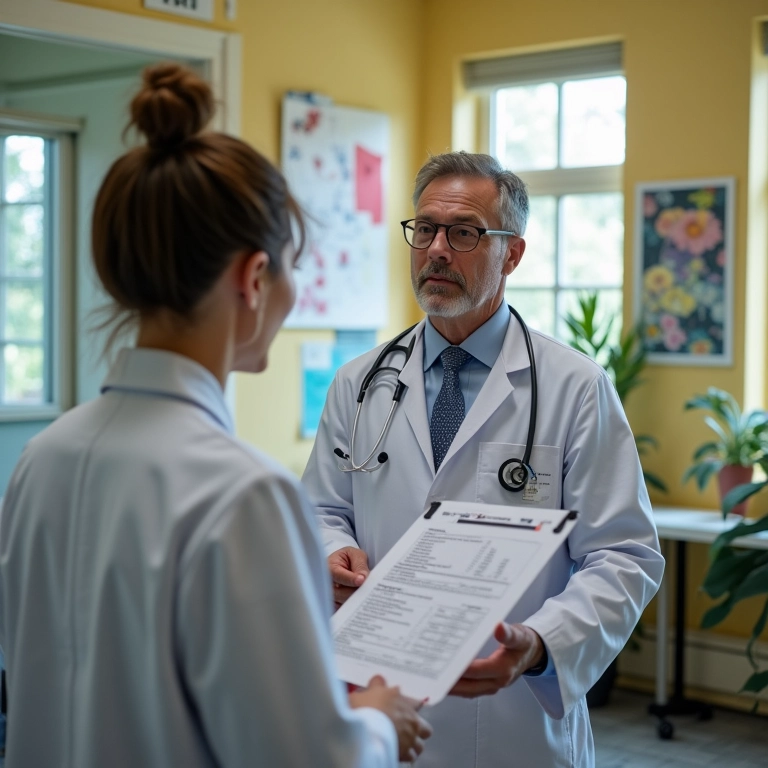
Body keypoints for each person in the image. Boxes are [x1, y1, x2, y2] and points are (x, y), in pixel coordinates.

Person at [0, 64, 431, 768]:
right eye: (289, 268)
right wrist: (377, 722)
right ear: (253, 279)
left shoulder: (43, 458)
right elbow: (308, 760)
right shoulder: (243, 493)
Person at [302, 151, 665, 768]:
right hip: (380, 705)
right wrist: (330, 547)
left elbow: (624, 556)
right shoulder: (359, 382)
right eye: (425, 230)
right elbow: (322, 507)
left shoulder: (574, 387)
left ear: (512, 254)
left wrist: (541, 642)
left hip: (509, 722)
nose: (437, 249)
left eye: (464, 232)